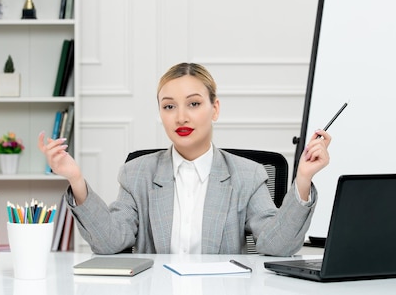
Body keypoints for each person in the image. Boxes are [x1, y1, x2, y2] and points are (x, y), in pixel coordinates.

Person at [38, 62, 331, 256]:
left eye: (194, 103)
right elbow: (110, 241)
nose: (181, 117)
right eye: (169, 106)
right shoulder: (136, 173)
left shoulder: (248, 175)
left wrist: (303, 179)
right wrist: (76, 179)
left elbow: (276, 245)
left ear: (214, 109)